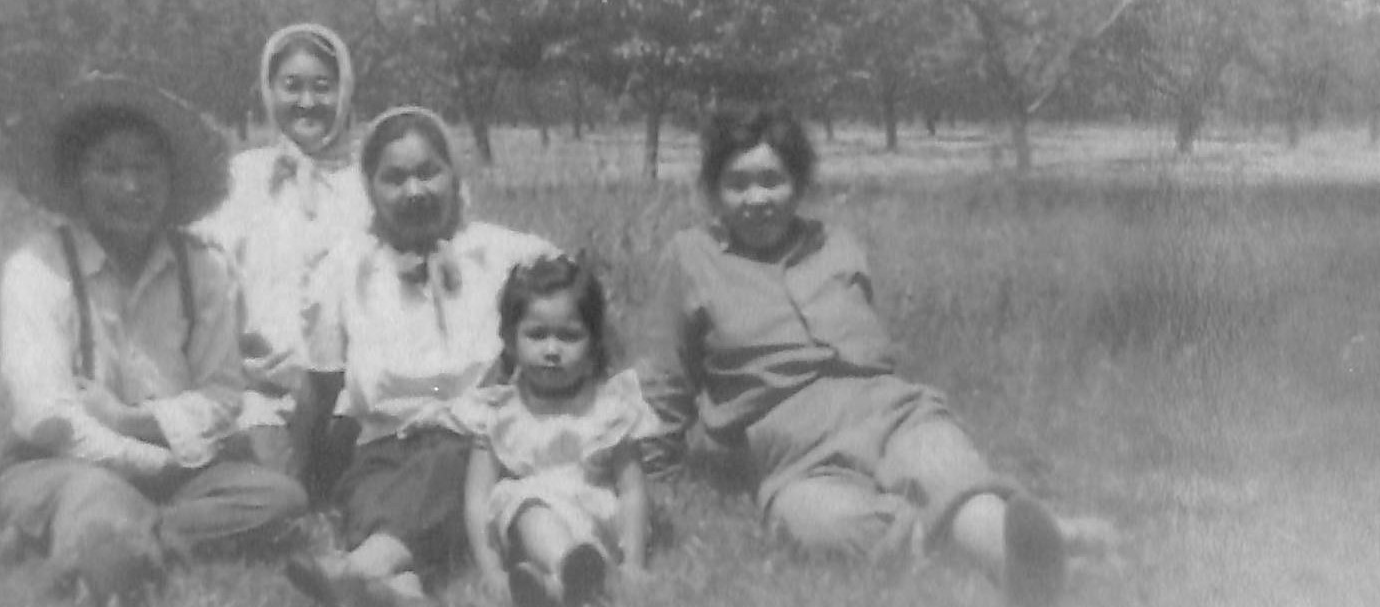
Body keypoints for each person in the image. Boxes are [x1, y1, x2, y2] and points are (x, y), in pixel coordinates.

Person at [637, 106, 1109, 606]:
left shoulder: (835, 245)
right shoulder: (691, 257)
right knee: (823, 526)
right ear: (713, 192)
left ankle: (1024, 565)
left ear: (797, 185)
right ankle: (1032, 548)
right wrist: (648, 469)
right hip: (795, 451)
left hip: (889, 411)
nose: (757, 198)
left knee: (946, 472)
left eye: (772, 181)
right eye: (737, 184)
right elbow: (663, 374)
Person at [0, 76, 308, 606]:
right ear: (75, 180)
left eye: (146, 168)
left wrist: (133, 423)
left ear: (172, 178)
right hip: (66, 462)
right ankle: (103, 538)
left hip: (177, 463)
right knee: (95, 494)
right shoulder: (38, 268)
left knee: (280, 499)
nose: (131, 187)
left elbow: (223, 394)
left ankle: (105, 540)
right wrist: (147, 461)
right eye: (110, 168)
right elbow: (45, 414)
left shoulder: (203, 267)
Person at [285, 107, 558, 607]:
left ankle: (360, 567)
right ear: (369, 187)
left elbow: (579, 327)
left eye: (428, 172)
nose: (415, 191)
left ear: (454, 175)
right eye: (395, 178)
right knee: (374, 495)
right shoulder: (346, 267)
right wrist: (301, 475)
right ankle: (400, 592)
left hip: (481, 443)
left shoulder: (508, 255)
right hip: (381, 446)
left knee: (449, 467)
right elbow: (322, 385)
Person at [195, 23, 370, 487]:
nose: (307, 102)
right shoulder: (241, 177)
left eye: (322, 87)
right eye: (291, 86)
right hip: (259, 384)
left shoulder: (369, 180)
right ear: (268, 91)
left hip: (351, 387)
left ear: (345, 91)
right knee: (278, 480)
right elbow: (203, 270)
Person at [458, 254, 659, 607]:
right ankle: (569, 571)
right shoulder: (498, 412)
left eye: (569, 337)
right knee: (529, 504)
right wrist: (492, 572)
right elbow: (478, 498)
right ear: (509, 340)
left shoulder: (610, 407)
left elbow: (632, 490)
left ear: (595, 344)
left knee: (584, 540)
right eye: (537, 335)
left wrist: (635, 564)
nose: (552, 350)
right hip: (529, 523)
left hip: (595, 517)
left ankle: (559, 584)